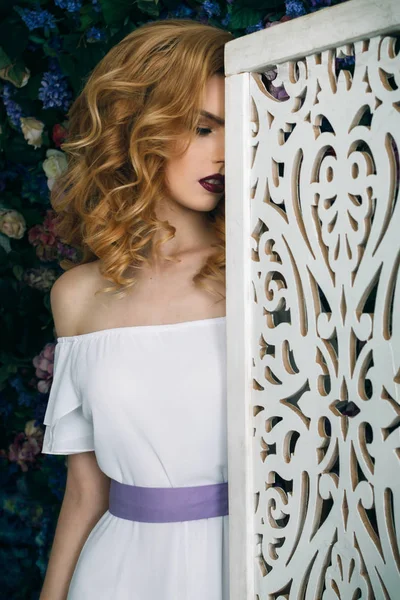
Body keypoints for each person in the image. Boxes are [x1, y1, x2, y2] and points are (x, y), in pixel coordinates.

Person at [39, 18, 233, 600]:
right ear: (135, 127)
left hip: (248, 566)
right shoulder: (76, 296)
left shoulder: (264, 274)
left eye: (239, 129)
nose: (224, 152)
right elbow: (85, 490)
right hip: (114, 576)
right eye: (202, 128)